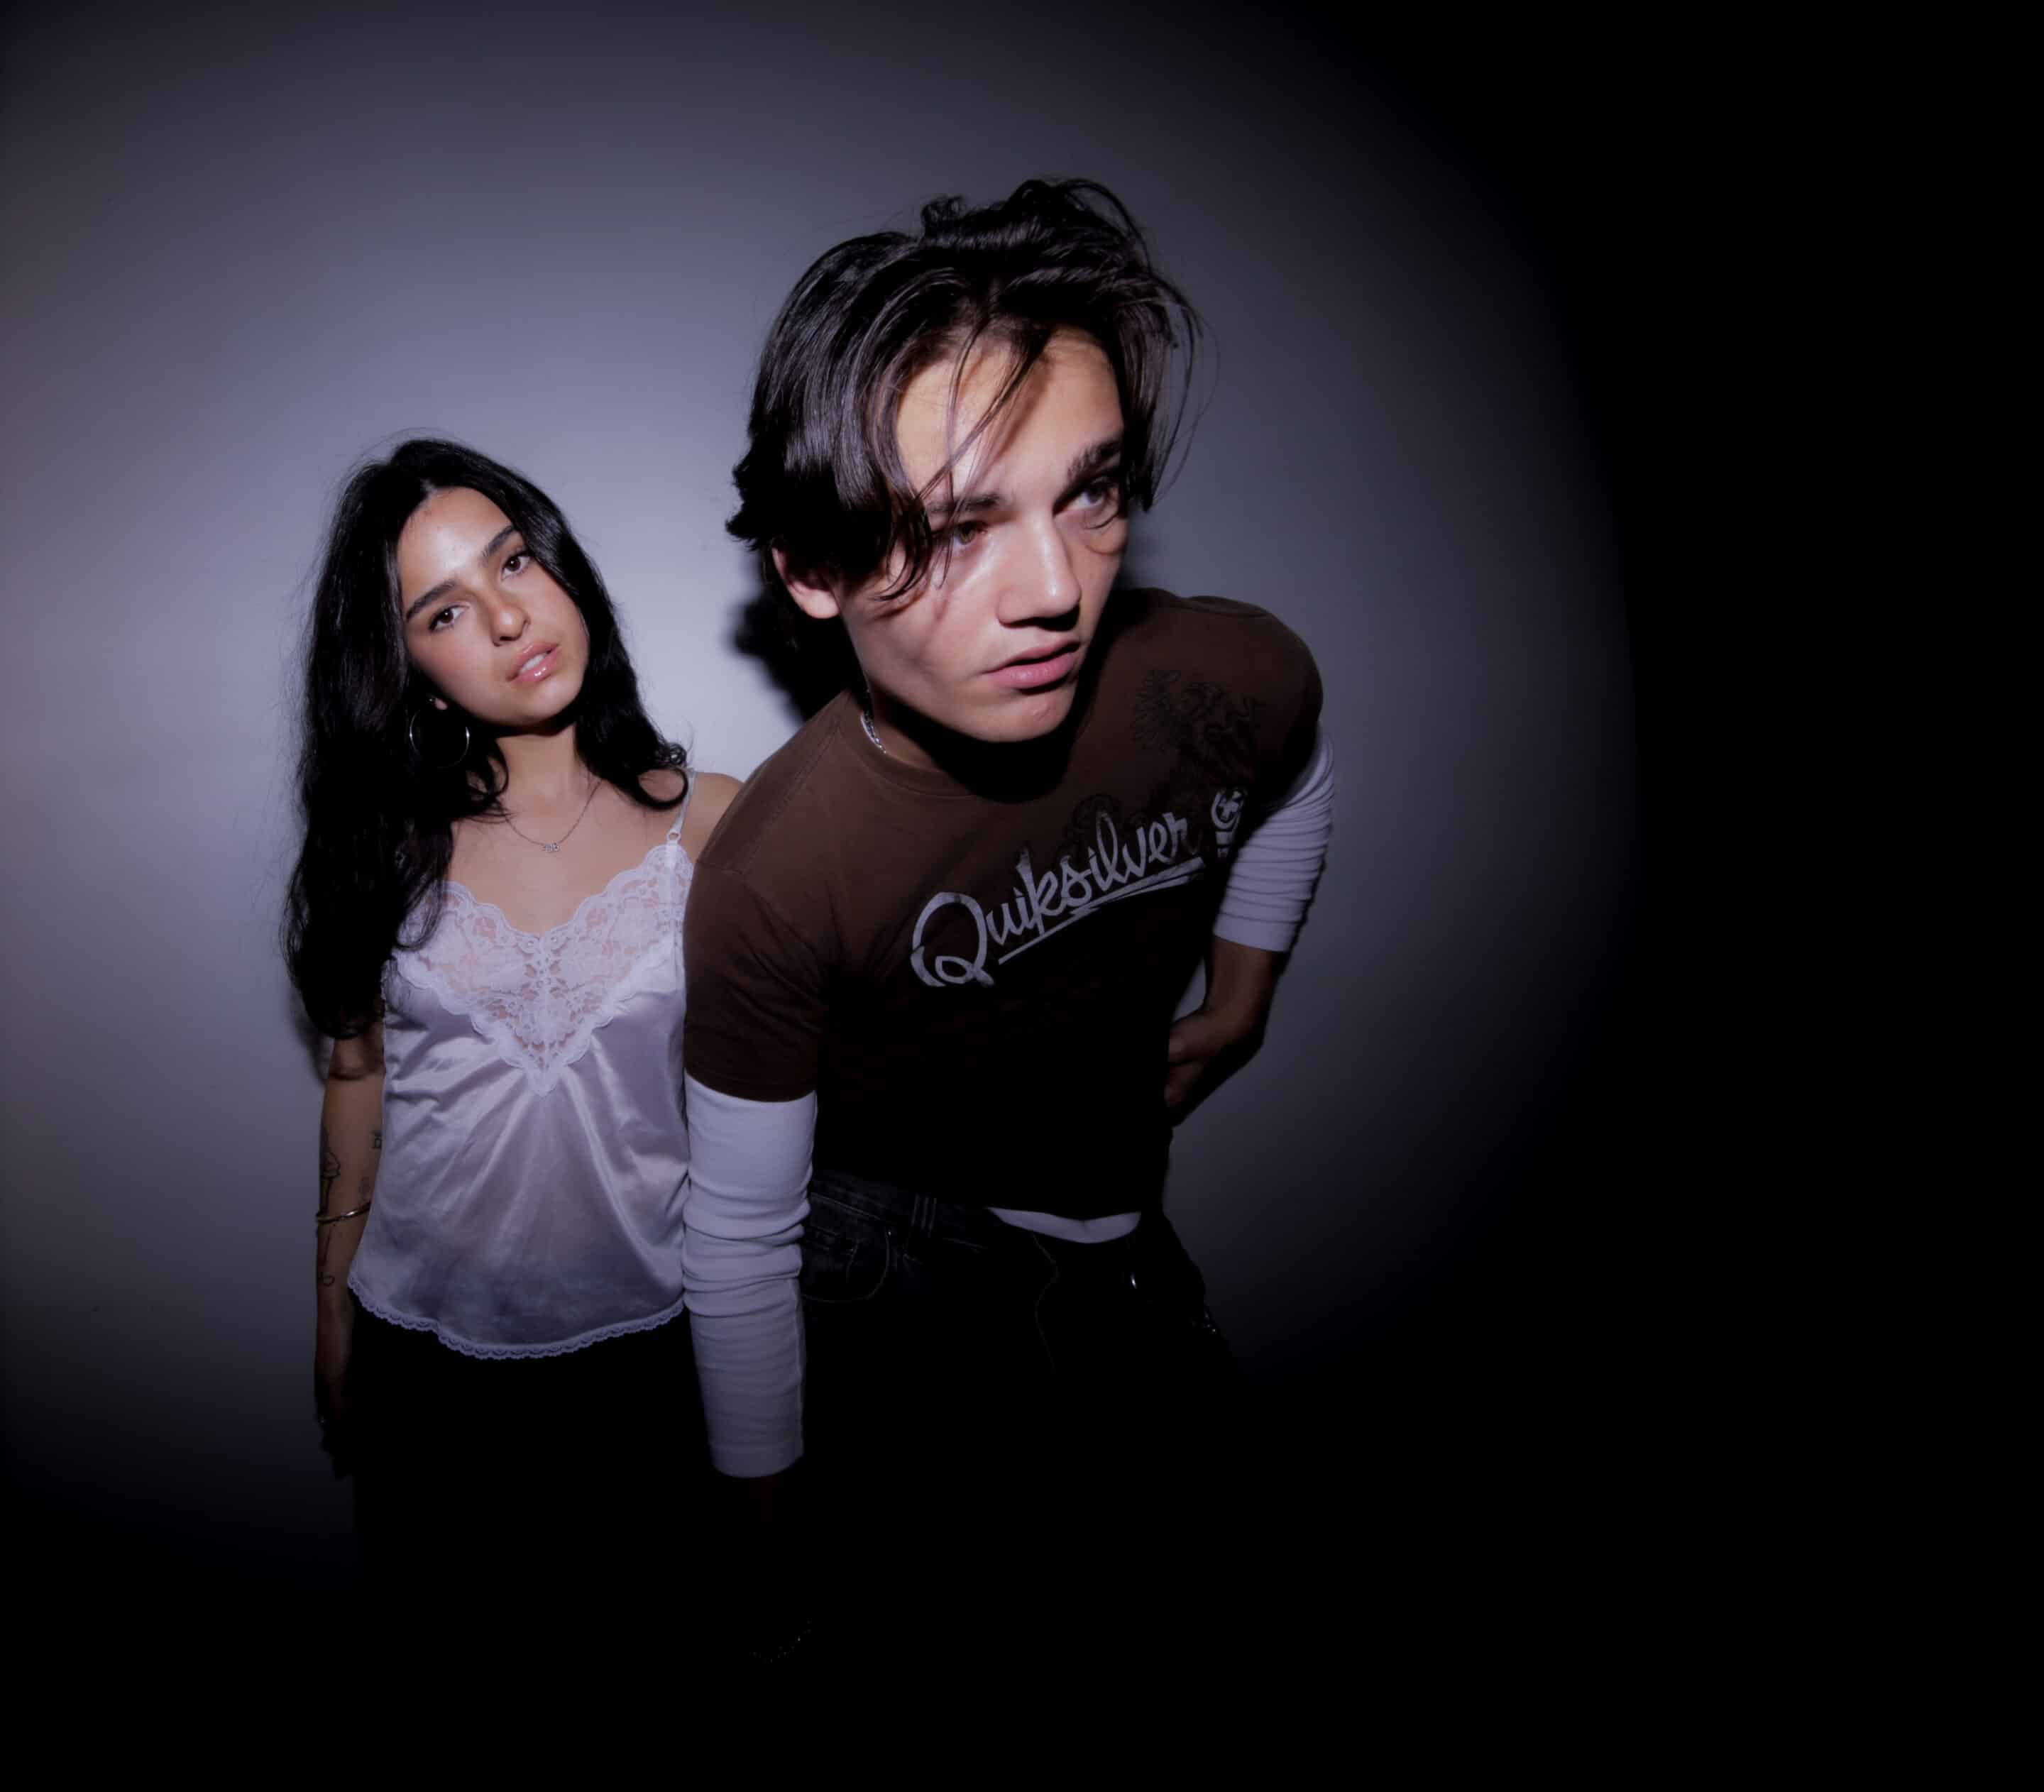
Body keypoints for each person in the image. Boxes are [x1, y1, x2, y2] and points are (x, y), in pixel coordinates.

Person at [683, 180, 1336, 1668]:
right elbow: (737, 1236)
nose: (1057, 591)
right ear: (811, 568)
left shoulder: (1223, 676)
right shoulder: (778, 875)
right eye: (957, 527)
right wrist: (770, 1534)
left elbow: (1300, 773)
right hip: (893, 1266)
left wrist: (1244, 997)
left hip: (1126, 1237)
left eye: (1091, 494)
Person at [283, 439, 739, 1618]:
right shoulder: (386, 853)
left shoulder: (715, 828)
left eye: (515, 561)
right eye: (444, 611)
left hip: (657, 1353)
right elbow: (357, 1074)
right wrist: (331, 1300)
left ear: (562, 566)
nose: (505, 617)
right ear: (416, 674)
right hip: (424, 1361)